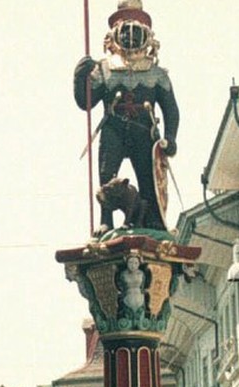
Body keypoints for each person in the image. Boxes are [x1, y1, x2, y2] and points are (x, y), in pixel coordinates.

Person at [73, 2, 180, 231]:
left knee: (148, 177)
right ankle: (106, 220)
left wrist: (170, 137)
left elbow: (171, 109)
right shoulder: (104, 69)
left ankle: (153, 218)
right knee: (107, 174)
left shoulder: (156, 73)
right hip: (114, 128)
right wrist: (80, 74)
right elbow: (86, 103)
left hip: (145, 131)